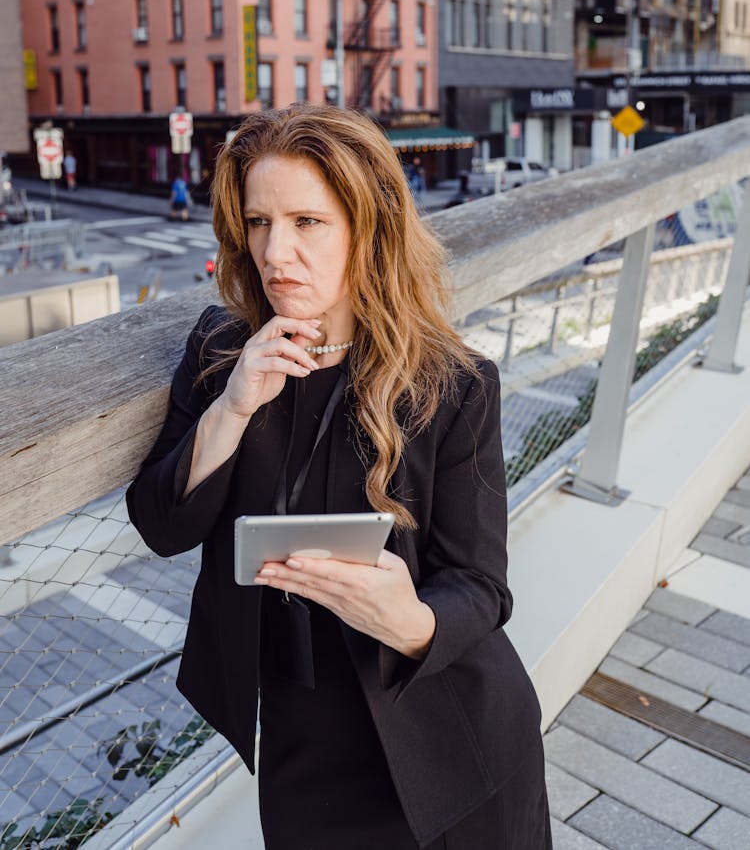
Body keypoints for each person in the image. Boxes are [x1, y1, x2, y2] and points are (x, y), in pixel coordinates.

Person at [126, 105, 551, 850]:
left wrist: (410, 618)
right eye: (258, 221)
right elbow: (163, 526)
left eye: (307, 222)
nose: (275, 250)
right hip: (304, 743)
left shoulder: (453, 384)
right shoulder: (224, 350)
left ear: (368, 224)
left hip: (448, 734)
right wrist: (231, 408)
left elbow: (482, 587)